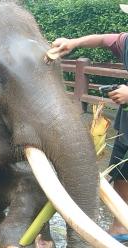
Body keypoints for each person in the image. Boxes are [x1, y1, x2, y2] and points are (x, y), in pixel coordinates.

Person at [50, 4, 128, 243]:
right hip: (126, 125)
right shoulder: (126, 41)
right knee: (121, 172)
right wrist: (73, 42)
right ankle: (120, 226)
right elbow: (103, 40)